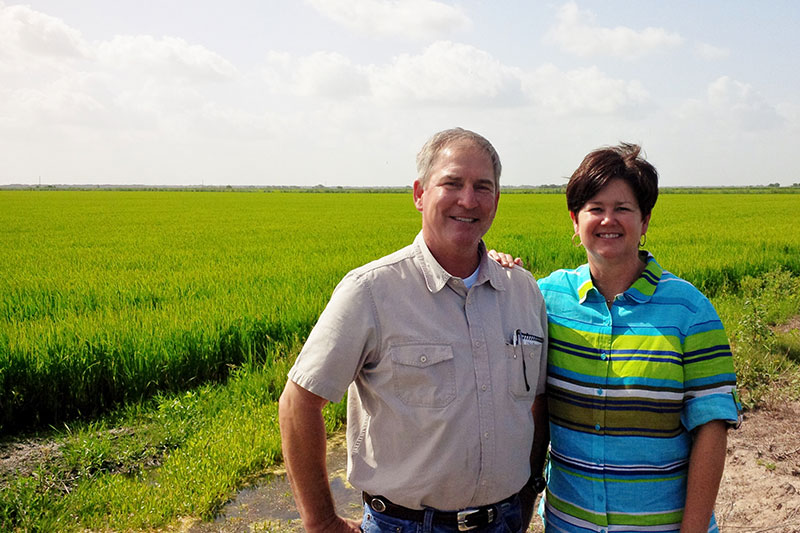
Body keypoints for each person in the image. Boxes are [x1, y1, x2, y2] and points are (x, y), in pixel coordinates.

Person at [278, 127, 550, 533]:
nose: (468, 200)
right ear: (420, 193)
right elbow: (299, 403)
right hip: (406, 525)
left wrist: (528, 492)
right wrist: (321, 522)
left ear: (496, 199)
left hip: (507, 520)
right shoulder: (371, 291)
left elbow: (535, 405)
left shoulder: (523, 290)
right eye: (452, 183)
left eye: (483, 187)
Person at [491, 143, 741, 533]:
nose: (609, 219)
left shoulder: (690, 311)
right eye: (595, 208)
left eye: (623, 208)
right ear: (575, 220)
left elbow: (711, 428)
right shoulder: (544, 298)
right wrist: (495, 268)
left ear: (644, 221)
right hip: (570, 524)